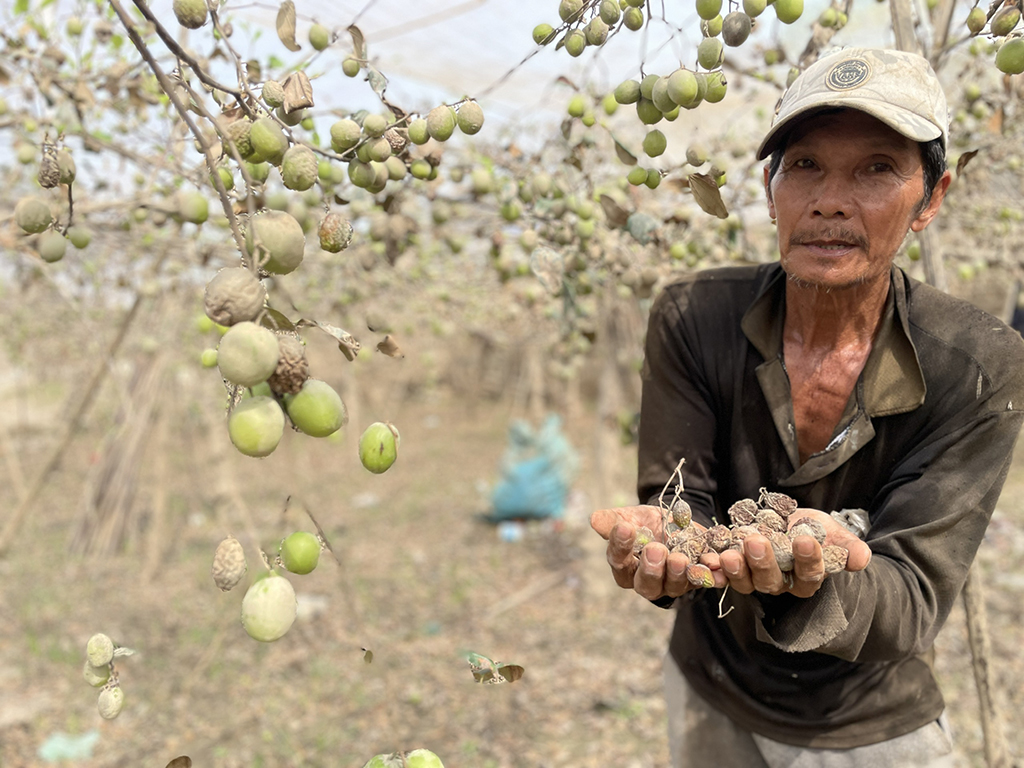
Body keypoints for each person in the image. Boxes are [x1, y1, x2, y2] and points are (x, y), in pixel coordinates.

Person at [590, 47, 1024, 767]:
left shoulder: (976, 366)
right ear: (770, 188)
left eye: (877, 169)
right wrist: (665, 544)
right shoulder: (695, 318)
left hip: (864, 720)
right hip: (712, 687)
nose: (829, 201)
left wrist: (811, 574)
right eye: (805, 166)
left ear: (932, 198)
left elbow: (912, 591)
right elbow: (682, 502)